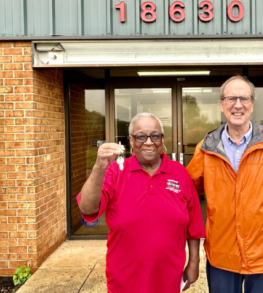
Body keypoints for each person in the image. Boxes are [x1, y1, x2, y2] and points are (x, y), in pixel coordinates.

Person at [186, 75, 263, 293]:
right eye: (231, 98)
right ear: (221, 104)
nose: (238, 104)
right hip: (222, 257)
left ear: (252, 103)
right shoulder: (207, 147)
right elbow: (184, 194)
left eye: (244, 98)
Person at [78, 112, 205, 293]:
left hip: (169, 278)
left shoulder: (179, 173)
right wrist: (99, 167)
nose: (148, 142)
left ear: (162, 140)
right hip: (125, 279)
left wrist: (194, 263)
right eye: (140, 136)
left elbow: (194, 225)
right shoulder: (115, 171)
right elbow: (88, 209)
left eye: (155, 136)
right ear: (131, 141)